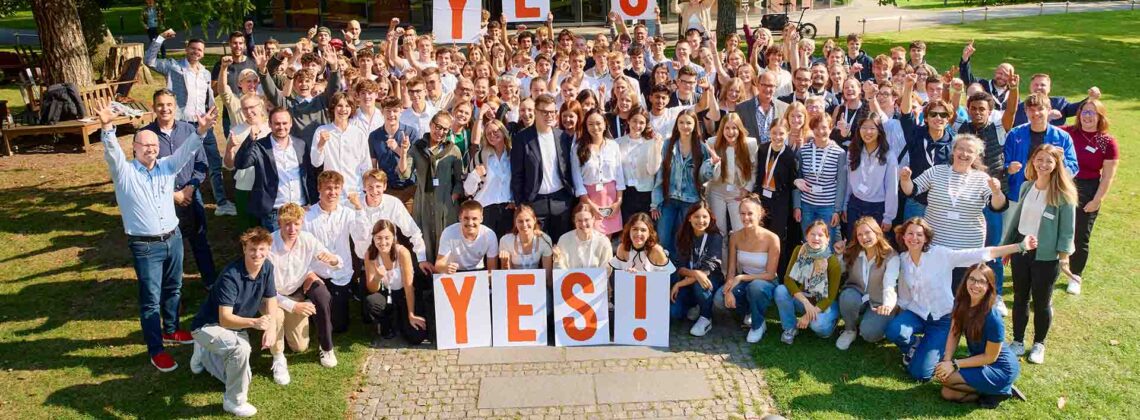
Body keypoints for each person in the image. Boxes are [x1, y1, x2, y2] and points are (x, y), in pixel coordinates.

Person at [97, 103, 214, 371]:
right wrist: (107, 126)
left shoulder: (166, 166)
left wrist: (201, 131)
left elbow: (186, 151)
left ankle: (171, 329)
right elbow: (112, 152)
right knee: (151, 300)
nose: (150, 148)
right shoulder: (124, 172)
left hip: (173, 239)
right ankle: (156, 349)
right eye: (144, 145)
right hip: (146, 246)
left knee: (174, 288)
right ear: (134, 148)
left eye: (153, 145)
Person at [886, 217, 1034, 382]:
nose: (914, 238)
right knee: (893, 330)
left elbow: (980, 253)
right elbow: (904, 292)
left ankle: (930, 349)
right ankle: (916, 345)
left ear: (926, 238)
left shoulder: (940, 254)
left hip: (942, 318)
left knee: (921, 374)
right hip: (917, 313)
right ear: (903, 236)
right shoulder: (903, 259)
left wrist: (1020, 246)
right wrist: (899, 315)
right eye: (910, 234)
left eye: (919, 234)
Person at [900, 135, 1008, 294]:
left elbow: (997, 206)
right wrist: (905, 179)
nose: (964, 154)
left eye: (970, 151)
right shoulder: (936, 171)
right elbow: (912, 190)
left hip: (967, 250)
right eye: (960, 149)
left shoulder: (982, 179)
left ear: (976, 155)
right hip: (936, 248)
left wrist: (997, 192)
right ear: (953, 150)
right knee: (934, 293)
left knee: (962, 294)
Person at [188, 228, 278, 417]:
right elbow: (225, 319)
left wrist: (271, 329)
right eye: (252, 249)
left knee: (244, 376)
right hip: (208, 326)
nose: (257, 254)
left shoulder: (267, 267)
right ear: (244, 248)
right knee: (241, 350)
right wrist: (255, 323)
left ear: (269, 249)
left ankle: (204, 353)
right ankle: (233, 401)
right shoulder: (230, 276)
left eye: (262, 249)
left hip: (236, 327)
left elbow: (271, 299)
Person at [145, 29, 235, 216]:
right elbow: (149, 60)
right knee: (181, 164)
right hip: (182, 125)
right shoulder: (173, 67)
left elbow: (208, 97)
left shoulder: (205, 73)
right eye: (193, 48)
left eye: (200, 50)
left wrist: (212, 111)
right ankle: (177, 199)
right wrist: (161, 38)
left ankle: (221, 202)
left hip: (203, 125)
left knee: (213, 162)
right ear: (187, 49)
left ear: (203, 53)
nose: (196, 52)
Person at [1002, 145, 1077, 365]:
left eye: (1049, 161)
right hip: (1022, 250)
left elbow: (1067, 231)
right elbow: (1017, 220)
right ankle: (1017, 341)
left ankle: (1039, 343)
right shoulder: (1026, 186)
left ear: (1056, 165)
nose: (1043, 165)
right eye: (1039, 159)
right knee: (1019, 298)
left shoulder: (1063, 194)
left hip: (1046, 256)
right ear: (1033, 161)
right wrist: (1009, 248)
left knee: (1041, 301)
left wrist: (1064, 258)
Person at [142, 89, 219, 289]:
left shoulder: (188, 130)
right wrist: (172, 194)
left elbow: (201, 163)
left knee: (199, 239)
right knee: (166, 245)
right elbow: (143, 172)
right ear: (153, 107)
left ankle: (210, 281)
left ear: (175, 107)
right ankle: (170, 288)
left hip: (191, 194)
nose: (165, 109)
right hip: (163, 199)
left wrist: (191, 188)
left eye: (169, 104)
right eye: (160, 105)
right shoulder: (146, 135)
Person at [265, 203, 342, 376]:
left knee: (299, 347)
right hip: (271, 297)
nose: (292, 229)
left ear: (302, 223)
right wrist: (293, 306)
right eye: (287, 224)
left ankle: (326, 347)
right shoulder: (269, 244)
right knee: (277, 315)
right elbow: (265, 289)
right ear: (279, 223)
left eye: (297, 224)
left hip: (295, 293)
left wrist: (333, 260)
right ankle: (278, 358)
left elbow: (336, 263)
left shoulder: (307, 239)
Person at [933, 264, 1025, 409]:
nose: (975, 285)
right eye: (972, 279)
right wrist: (947, 360)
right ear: (966, 280)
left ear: (989, 286)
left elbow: (990, 357)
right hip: (981, 361)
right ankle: (993, 391)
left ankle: (1001, 388)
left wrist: (955, 365)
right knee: (947, 393)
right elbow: (954, 332)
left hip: (1001, 368)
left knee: (948, 378)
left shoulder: (993, 317)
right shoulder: (961, 302)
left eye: (982, 281)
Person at [1061, 99, 1119, 294]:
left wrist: (1097, 200)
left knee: (1080, 235)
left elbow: (1108, 176)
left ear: (1100, 116)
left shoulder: (1106, 141)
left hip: (1089, 189)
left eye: (1092, 113)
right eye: (1084, 111)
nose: (1087, 116)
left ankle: (1075, 276)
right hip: (1063, 185)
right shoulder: (1068, 132)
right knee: (1056, 229)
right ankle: (1049, 269)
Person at [233, 107, 317, 231]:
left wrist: (312, 203)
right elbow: (241, 163)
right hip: (275, 213)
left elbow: (309, 176)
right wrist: (250, 138)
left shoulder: (300, 144)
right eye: (277, 123)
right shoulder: (260, 146)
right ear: (270, 124)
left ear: (291, 124)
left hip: (301, 209)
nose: (281, 127)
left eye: (284, 123)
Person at [304, 171, 364, 337]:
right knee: (322, 322)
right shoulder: (308, 216)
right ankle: (311, 303)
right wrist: (308, 274)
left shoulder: (348, 213)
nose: (332, 192)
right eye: (328, 188)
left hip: (341, 274)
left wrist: (359, 208)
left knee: (339, 326)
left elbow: (362, 235)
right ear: (319, 189)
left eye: (336, 188)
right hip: (318, 275)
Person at [402, 111, 465, 264]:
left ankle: (443, 273)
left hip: (445, 204)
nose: (440, 132)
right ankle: (426, 276)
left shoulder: (453, 150)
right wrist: (403, 152)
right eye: (438, 127)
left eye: (445, 129)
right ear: (431, 125)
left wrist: (454, 196)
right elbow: (405, 174)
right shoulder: (417, 148)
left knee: (445, 240)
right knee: (424, 240)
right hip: (423, 202)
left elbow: (459, 180)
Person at [719, 196, 781, 343]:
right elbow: (731, 270)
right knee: (719, 299)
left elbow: (770, 274)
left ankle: (757, 325)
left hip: (766, 281)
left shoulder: (772, 238)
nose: (745, 217)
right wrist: (728, 289)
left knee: (755, 287)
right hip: (745, 279)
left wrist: (741, 278)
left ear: (760, 213)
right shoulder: (735, 237)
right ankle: (749, 312)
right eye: (742, 213)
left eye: (750, 213)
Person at [512, 94, 575, 240]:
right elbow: (517, 174)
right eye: (545, 112)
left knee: (561, 245)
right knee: (538, 246)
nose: (549, 116)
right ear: (535, 112)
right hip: (535, 202)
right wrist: (521, 204)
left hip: (561, 201)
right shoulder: (522, 139)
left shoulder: (563, 137)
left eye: (552, 112)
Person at [651, 110, 712, 255]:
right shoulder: (668, 145)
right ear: (676, 124)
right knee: (663, 239)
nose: (685, 126)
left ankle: (682, 268)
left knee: (684, 239)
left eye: (689, 123)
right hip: (669, 198)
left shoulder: (702, 148)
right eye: (681, 122)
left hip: (691, 200)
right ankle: (665, 267)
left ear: (695, 125)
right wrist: (655, 202)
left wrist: (712, 164)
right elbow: (660, 175)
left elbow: (705, 178)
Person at [835, 217, 899, 350]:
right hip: (857, 295)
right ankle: (850, 330)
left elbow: (889, 285)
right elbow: (839, 270)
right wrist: (839, 255)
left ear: (877, 232)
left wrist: (887, 305)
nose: (864, 237)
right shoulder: (853, 251)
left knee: (869, 334)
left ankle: (880, 323)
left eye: (868, 232)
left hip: (880, 303)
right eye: (860, 234)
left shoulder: (891, 256)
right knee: (847, 296)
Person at [898, 72, 956, 219]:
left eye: (943, 115)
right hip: (916, 201)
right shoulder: (916, 135)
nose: (938, 118)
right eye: (933, 114)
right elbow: (906, 114)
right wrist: (908, 87)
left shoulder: (954, 143)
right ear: (926, 118)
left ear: (948, 119)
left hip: (942, 204)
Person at [775, 220, 842, 344]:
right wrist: (806, 302)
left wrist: (808, 315)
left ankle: (831, 322)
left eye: (820, 235)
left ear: (827, 239)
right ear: (806, 236)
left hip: (825, 302)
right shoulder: (799, 250)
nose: (816, 238)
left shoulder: (833, 262)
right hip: (805, 298)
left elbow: (830, 297)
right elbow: (788, 279)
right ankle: (790, 328)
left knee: (818, 327)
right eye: (812, 234)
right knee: (781, 290)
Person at [363, 220, 429, 345]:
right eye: (379, 238)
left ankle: (401, 318)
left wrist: (411, 314)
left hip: (405, 293)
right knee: (371, 301)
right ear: (373, 238)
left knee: (416, 337)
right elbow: (371, 288)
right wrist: (377, 277)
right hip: (387, 294)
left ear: (394, 237)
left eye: (387, 238)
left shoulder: (402, 253)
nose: (383, 242)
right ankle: (387, 323)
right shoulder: (370, 254)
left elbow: (409, 286)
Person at [1004, 92, 1079, 201]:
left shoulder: (1062, 137)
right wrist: (1009, 169)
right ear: (1025, 111)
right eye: (1031, 109)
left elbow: (1073, 170)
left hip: (1050, 194)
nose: (1036, 113)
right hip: (1018, 193)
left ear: (1049, 110)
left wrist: (1062, 160)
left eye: (1040, 109)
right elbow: (1003, 163)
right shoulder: (1015, 134)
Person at [670, 201, 724, 337]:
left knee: (700, 283)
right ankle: (696, 305)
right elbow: (679, 267)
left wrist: (679, 284)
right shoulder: (682, 235)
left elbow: (707, 270)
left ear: (710, 218)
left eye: (705, 217)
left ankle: (706, 317)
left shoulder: (715, 237)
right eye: (696, 216)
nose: (701, 221)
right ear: (689, 218)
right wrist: (694, 273)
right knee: (674, 313)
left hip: (710, 280)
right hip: (688, 280)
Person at [703, 112, 759, 241]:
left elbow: (754, 169)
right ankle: (721, 255)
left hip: (738, 191)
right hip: (716, 191)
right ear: (722, 129)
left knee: (740, 230)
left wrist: (747, 189)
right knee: (719, 231)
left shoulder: (750, 144)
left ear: (740, 129)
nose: (730, 132)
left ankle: (737, 254)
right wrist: (713, 163)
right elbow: (705, 172)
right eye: (727, 128)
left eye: (734, 128)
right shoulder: (712, 143)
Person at [754, 120, 799, 276]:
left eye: (781, 133)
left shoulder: (789, 155)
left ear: (787, 134)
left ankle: (777, 274)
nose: (777, 137)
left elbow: (792, 180)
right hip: (762, 200)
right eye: (774, 133)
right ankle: (759, 271)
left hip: (780, 203)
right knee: (760, 235)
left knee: (776, 238)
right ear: (769, 132)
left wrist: (796, 182)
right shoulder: (762, 149)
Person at [571, 110, 626, 235]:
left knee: (607, 237)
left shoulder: (613, 145)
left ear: (605, 124)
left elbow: (619, 176)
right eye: (590, 124)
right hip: (589, 198)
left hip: (610, 198)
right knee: (590, 235)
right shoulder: (578, 147)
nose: (595, 127)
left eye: (598, 123)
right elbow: (577, 179)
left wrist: (618, 202)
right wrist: (589, 204)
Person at [795, 114, 846, 244]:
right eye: (816, 128)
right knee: (808, 242)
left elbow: (841, 183)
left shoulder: (839, 153)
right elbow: (797, 179)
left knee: (827, 243)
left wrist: (837, 211)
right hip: (806, 205)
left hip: (828, 207)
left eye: (824, 127)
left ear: (831, 128)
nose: (820, 131)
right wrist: (797, 206)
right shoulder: (803, 151)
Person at [222, 94, 271, 231]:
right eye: (244, 109)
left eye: (252, 107)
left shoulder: (272, 127)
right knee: (248, 230)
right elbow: (229, 165)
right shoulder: (236, 131)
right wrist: (230, 148)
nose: (249, 112)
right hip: (245, 187)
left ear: (260, 106)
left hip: (268, 187)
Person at [844, 114, 898, 235]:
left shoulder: (888, 155)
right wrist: (845, 204)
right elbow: (848, 181)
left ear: (879, 131)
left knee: (874, 243)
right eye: (864, 127)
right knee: (853, 242)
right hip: (855, 205)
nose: (868, 132)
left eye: (872, 128)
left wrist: (888, 217)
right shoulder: (853, 151)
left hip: (877, 208)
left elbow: (891, 188)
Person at [465, 108, 514, 237]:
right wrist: (476, 175)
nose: (492, 135)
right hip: (485, 209)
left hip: (507, 209)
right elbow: (468, 190)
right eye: (488, 134)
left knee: (505, 246)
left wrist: (515, 200)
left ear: (503, 132)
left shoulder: (512, 155)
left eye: (495, 131)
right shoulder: (481, 156)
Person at [312, 93, 371, 201]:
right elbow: (316, 162)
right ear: (333, 108)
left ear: (351, 109)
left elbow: (366, 165)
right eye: (339, 105)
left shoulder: (359, 133)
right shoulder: (321, 131)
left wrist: (366, 191)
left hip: (355, 192)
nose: (343, 109)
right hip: (331, 193)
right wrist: (321, 144)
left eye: (347, 106)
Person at [367, 96, 421, 210]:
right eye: (388, 111)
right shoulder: (374, 136)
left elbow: (415, 162)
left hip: (409, 189)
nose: (391, 114)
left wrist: (397, 149)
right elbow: (373, 166)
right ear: (382, 112)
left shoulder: (411, 133)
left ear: (401, 111)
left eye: (395, 111)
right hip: (387, 190)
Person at [616, 111, 663, 225]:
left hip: (645, 193)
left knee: (644, 228)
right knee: (627, 228)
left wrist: (656, 147)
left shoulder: (651, 143)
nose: (637, 125)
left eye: (641, 122)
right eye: (634, 121)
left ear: (646, 124)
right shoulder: (617, 143)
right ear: (628, 121)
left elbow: (653, 170)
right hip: (625, 193)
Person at [436, 200, 501, 273]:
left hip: (478, 271)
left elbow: (492, 270)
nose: (470, 223)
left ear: (481, 219)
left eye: (474, 219)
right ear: (460, 218)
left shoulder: (489, 235)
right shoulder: (449, 232)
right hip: (454, 272)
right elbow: (438, 265)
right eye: (466, 218)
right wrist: (445, 268)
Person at [554, 203, 615, 272]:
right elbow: (559, 269)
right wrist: (557, 259)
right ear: (574, 221)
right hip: (570, 278)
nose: (583, 224)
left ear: (593, 219)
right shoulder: (564, 240)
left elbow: (607, 270)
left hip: (596, 278)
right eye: (579, 220)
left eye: (586, 220)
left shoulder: (603, 241)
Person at [609, 213, 676, 273]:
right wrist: (628, 274)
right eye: (635, 229)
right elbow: (618, 277)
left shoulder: (656, 250)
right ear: (629, 231)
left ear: (649, 233)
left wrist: (639, 276)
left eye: (643, 230)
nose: (638, 233)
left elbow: (666, 278)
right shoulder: (622, 248)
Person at [498, 205, 555, 273]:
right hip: (513, 278)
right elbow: (505, 275)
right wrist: (505, 263)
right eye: (520, 221)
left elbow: (548, 274)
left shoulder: (544, 239)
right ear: (515, 223)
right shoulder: (505, 241)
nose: (524, 225)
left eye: (527, 220)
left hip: (537, 279)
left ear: (534, 220)